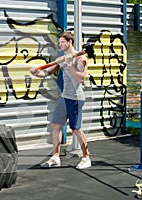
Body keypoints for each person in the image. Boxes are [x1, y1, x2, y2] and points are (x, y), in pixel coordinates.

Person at [30, 32, 91, 169]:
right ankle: (55, 157)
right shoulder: (62, 59)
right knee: (55, 125)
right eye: (59, 42)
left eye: (62, 42)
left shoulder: (80, 58)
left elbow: (81, 78)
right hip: (64, 97)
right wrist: (36, 73)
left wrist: (69, 65)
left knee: (76, 129)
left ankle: (86, 157)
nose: (60, 45)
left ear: (70, 42)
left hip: (76, 98)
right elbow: (46, 73)